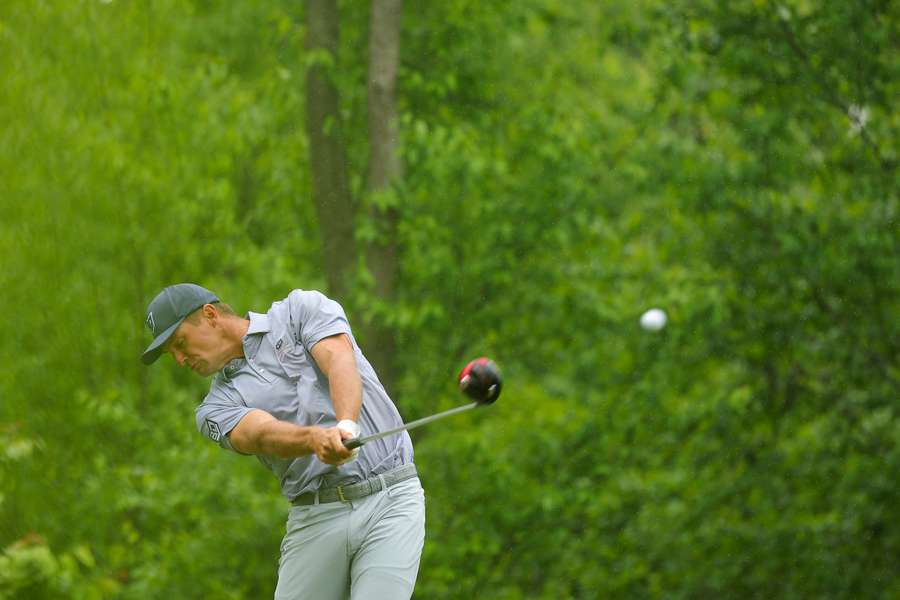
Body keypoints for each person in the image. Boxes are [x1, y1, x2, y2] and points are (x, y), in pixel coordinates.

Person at [141, 283, 425, 599]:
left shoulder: (299, 311)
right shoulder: (214, 408)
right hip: (315, 516)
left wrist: (346, 426)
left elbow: (339, 359)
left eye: (180, 343)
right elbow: (260, 434)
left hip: (391, 497)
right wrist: (314, 439)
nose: (180, 359)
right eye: (172, 354)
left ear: (210, 315)